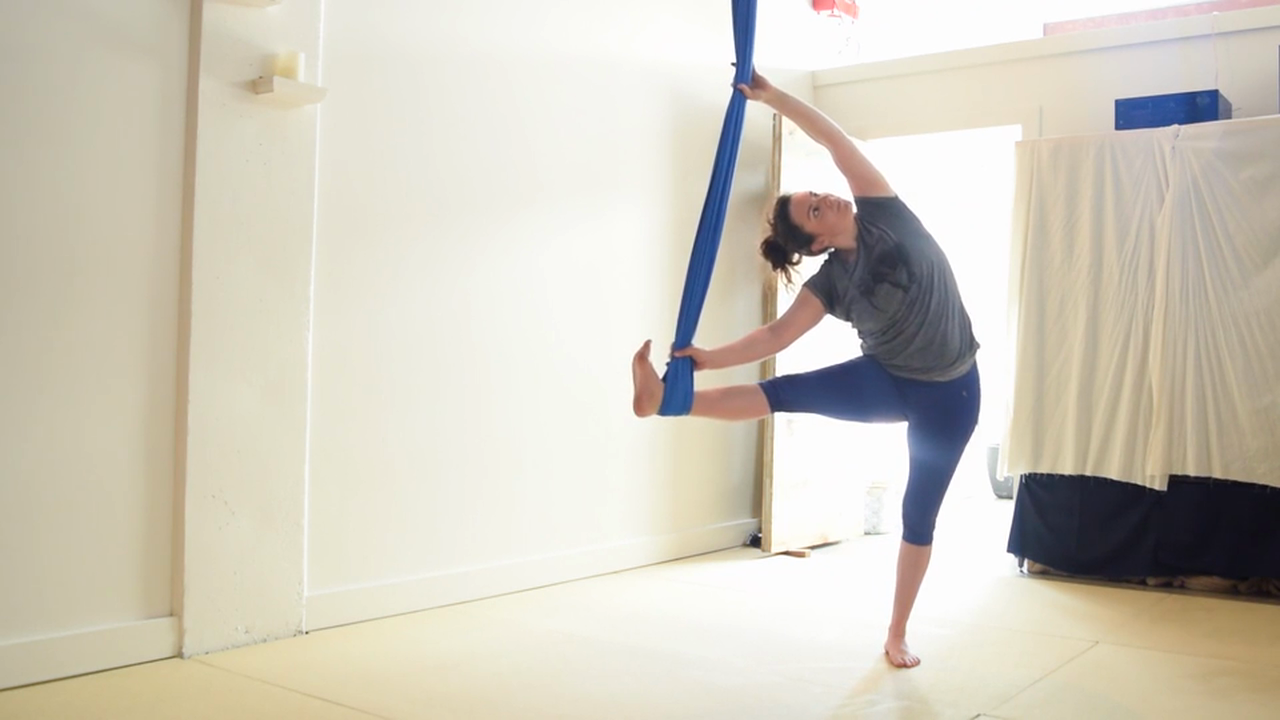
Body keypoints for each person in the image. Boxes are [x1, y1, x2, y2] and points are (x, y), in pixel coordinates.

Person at [631, 70, 981, 669]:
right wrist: (708, 358)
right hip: (887, 380)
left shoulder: (884, 213)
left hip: (951, 394)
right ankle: (667, 399)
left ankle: (896, 633)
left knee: (918, 512)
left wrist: (773, 97)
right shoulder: (830, 281)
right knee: (784, 391)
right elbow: (775, 335)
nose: (829, 200)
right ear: (816, 242)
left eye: (819, 195)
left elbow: (835, 141)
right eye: (816, 210)